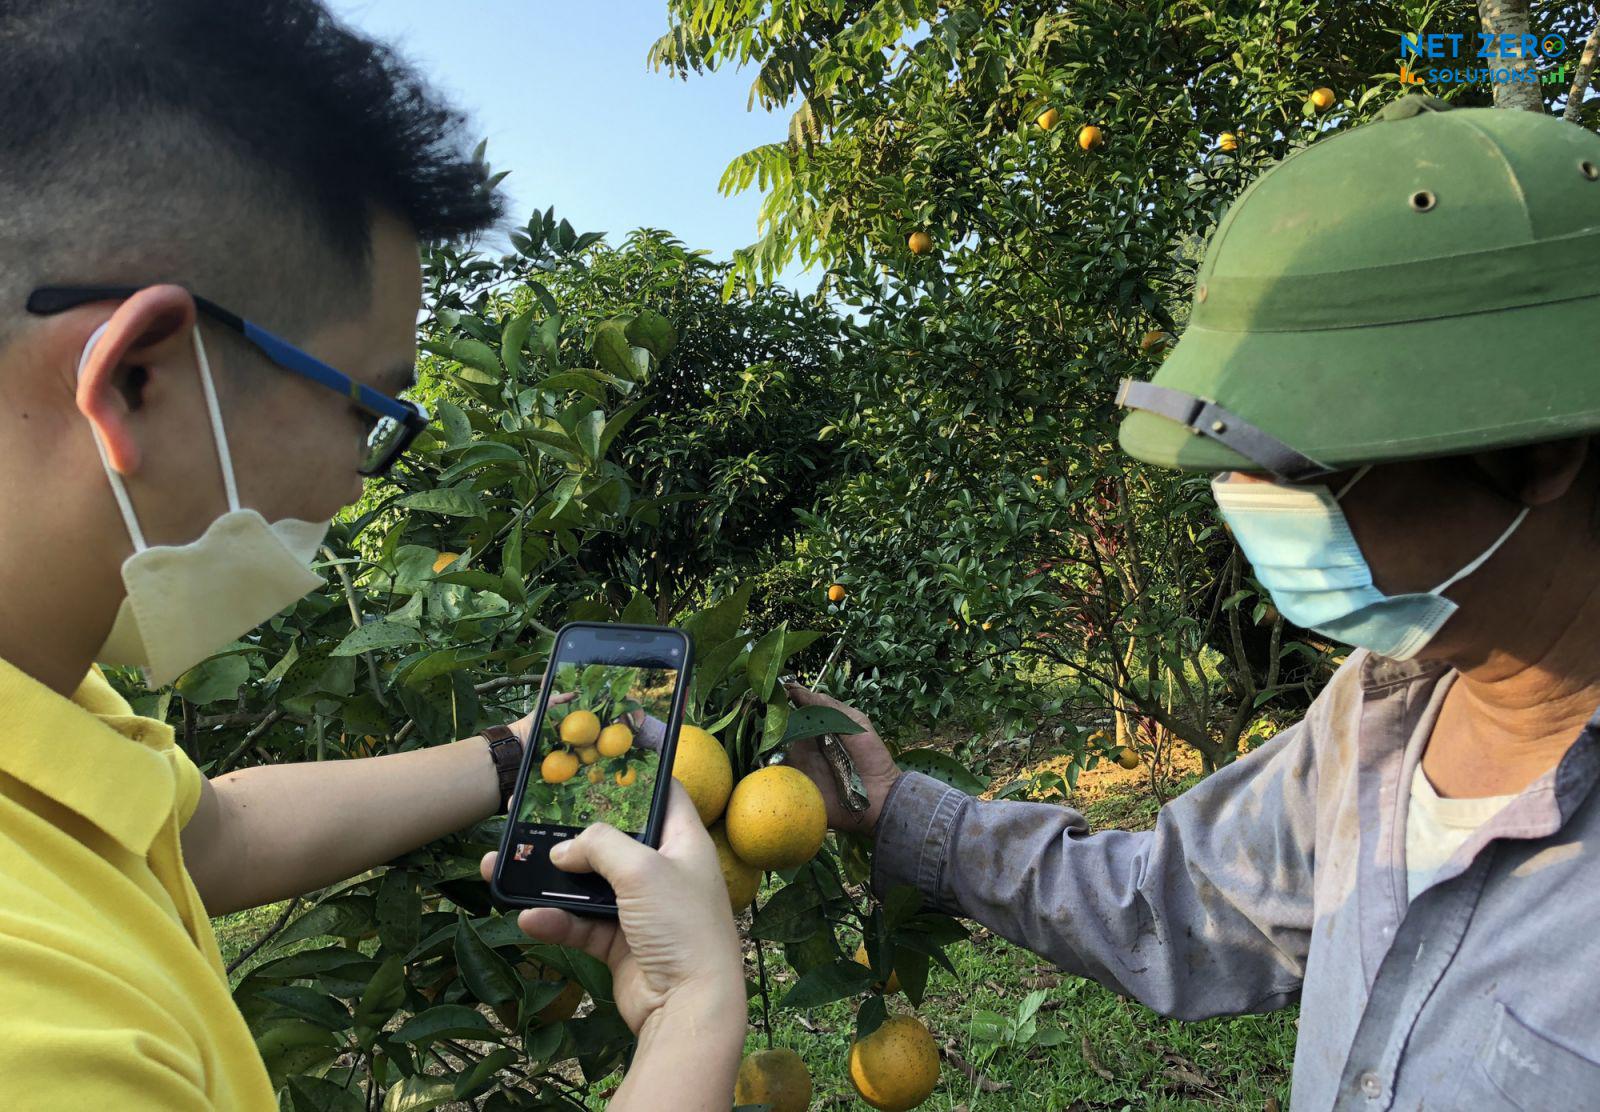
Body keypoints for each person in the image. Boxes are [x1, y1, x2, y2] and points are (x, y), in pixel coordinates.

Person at [784, 95, 1600, 1110]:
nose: (1247, 512)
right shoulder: (1384, 705)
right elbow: (1180, 900)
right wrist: (894, 805)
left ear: (1539, 449)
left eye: (1291, 464)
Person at [0, 2, 741, 1109]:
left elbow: (208, 828)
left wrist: (518, 752)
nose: (357, 485)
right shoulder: (47, 1040)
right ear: (136, 378)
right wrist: (693, 1020)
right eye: (372, 412)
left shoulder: (44, 686)